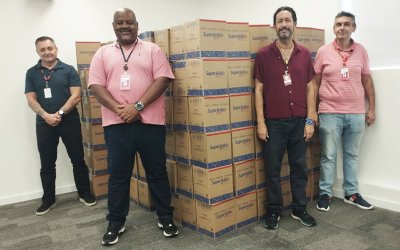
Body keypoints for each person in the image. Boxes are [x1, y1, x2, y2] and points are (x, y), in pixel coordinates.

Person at [88, 8, 178, 246]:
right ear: (114, 26)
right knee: (118, 177)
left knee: (157, 173)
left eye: (129, 22)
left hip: (150, 125)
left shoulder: (152, 50)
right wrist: (122, 110)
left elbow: (163, 80)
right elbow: (96, 86)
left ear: (137, 25)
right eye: (120, 23)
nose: (125, 26)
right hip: (116, 127)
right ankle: (116, 222)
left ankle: (165, 217)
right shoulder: (102, 53)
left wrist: (136, 107)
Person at [254, 6, 317, 230]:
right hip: (274, 123)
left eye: (287, 20)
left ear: (294, 24)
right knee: (272, 169)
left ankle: (299, 209)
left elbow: (311, 87)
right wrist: (261, 122)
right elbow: (258, 89)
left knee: (299, 168)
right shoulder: (263, 55)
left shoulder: (305, 54)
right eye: (279, 21)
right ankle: (274, 210)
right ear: (274, 26)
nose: (283, 25)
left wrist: (310, 119)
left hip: (300, 120)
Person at [25, 36, 96, 216]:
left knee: (78, 159)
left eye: (50, 48)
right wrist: (45, 115)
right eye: (43, 50)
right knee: (47, 164)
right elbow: (30, 99)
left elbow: (76, 96)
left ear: (56, 48)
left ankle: (84, 193)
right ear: (37, 52)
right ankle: (48, 199)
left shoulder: (69, 70)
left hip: (69, 121)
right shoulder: (32, 73)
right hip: (44, 123)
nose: (47, 52)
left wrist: (59, 114)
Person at [314, 11, 376, 212]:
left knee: (352, 155)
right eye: (338, 24)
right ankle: (325, 193)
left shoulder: (361, 51)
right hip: (329, 112)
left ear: (353, 28)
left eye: (346, 24)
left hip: (356, 112)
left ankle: (351, 193)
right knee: (328, 156)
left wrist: (372, 108)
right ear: (334, 29)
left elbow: (366, 80)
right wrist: (312, 112)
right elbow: (314, 83)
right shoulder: (323, 51)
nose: (342, 27)